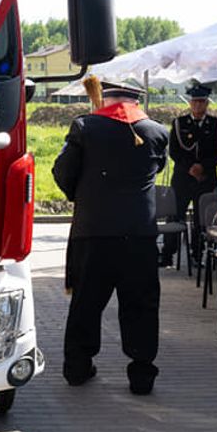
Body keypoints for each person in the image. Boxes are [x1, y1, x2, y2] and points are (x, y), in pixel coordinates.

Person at [53, 77, 169, 393]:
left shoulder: (84, 127)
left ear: (106, 98)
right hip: (140, 234)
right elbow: (156, 170)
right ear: (136, 100)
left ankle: (77, 367)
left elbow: (63, 172)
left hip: (94, 232)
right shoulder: (158, 132)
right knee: (141, 306)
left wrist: (85, 195)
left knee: (86, 303)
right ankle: (142, 375)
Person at [161, 84, 217, 267]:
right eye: (194, 101)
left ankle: (198, 254)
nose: (197, 105)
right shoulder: (179, 123)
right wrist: (190, 168)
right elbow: (175, 152)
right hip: (183, 178)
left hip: (205, 178)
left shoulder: (216, 125)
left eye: (201, 102)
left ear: (207, 103)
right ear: (190, 103)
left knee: (200, 220)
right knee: (175, 214)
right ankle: (167, 254)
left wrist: (203, 167)